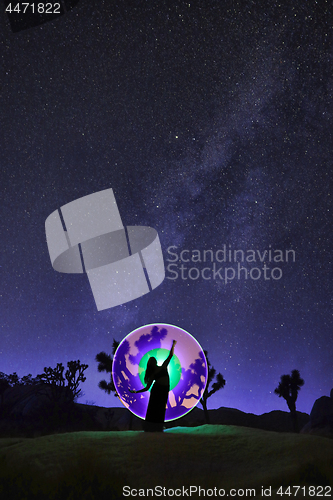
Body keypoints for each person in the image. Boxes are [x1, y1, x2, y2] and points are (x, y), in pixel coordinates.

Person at [129, 340, 177, 432]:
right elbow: (147, 388)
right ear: (150, 364)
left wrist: (173, 345)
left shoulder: (163, 366)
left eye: (153, 360)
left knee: (161, 408)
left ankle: (158, 428)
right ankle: (150, 428)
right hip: (157, 390)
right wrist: (136, 392)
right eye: (151, 361)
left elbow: (170, 356)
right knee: (154, 408)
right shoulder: (152, 375)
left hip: (164, 390)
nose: (153, 362)